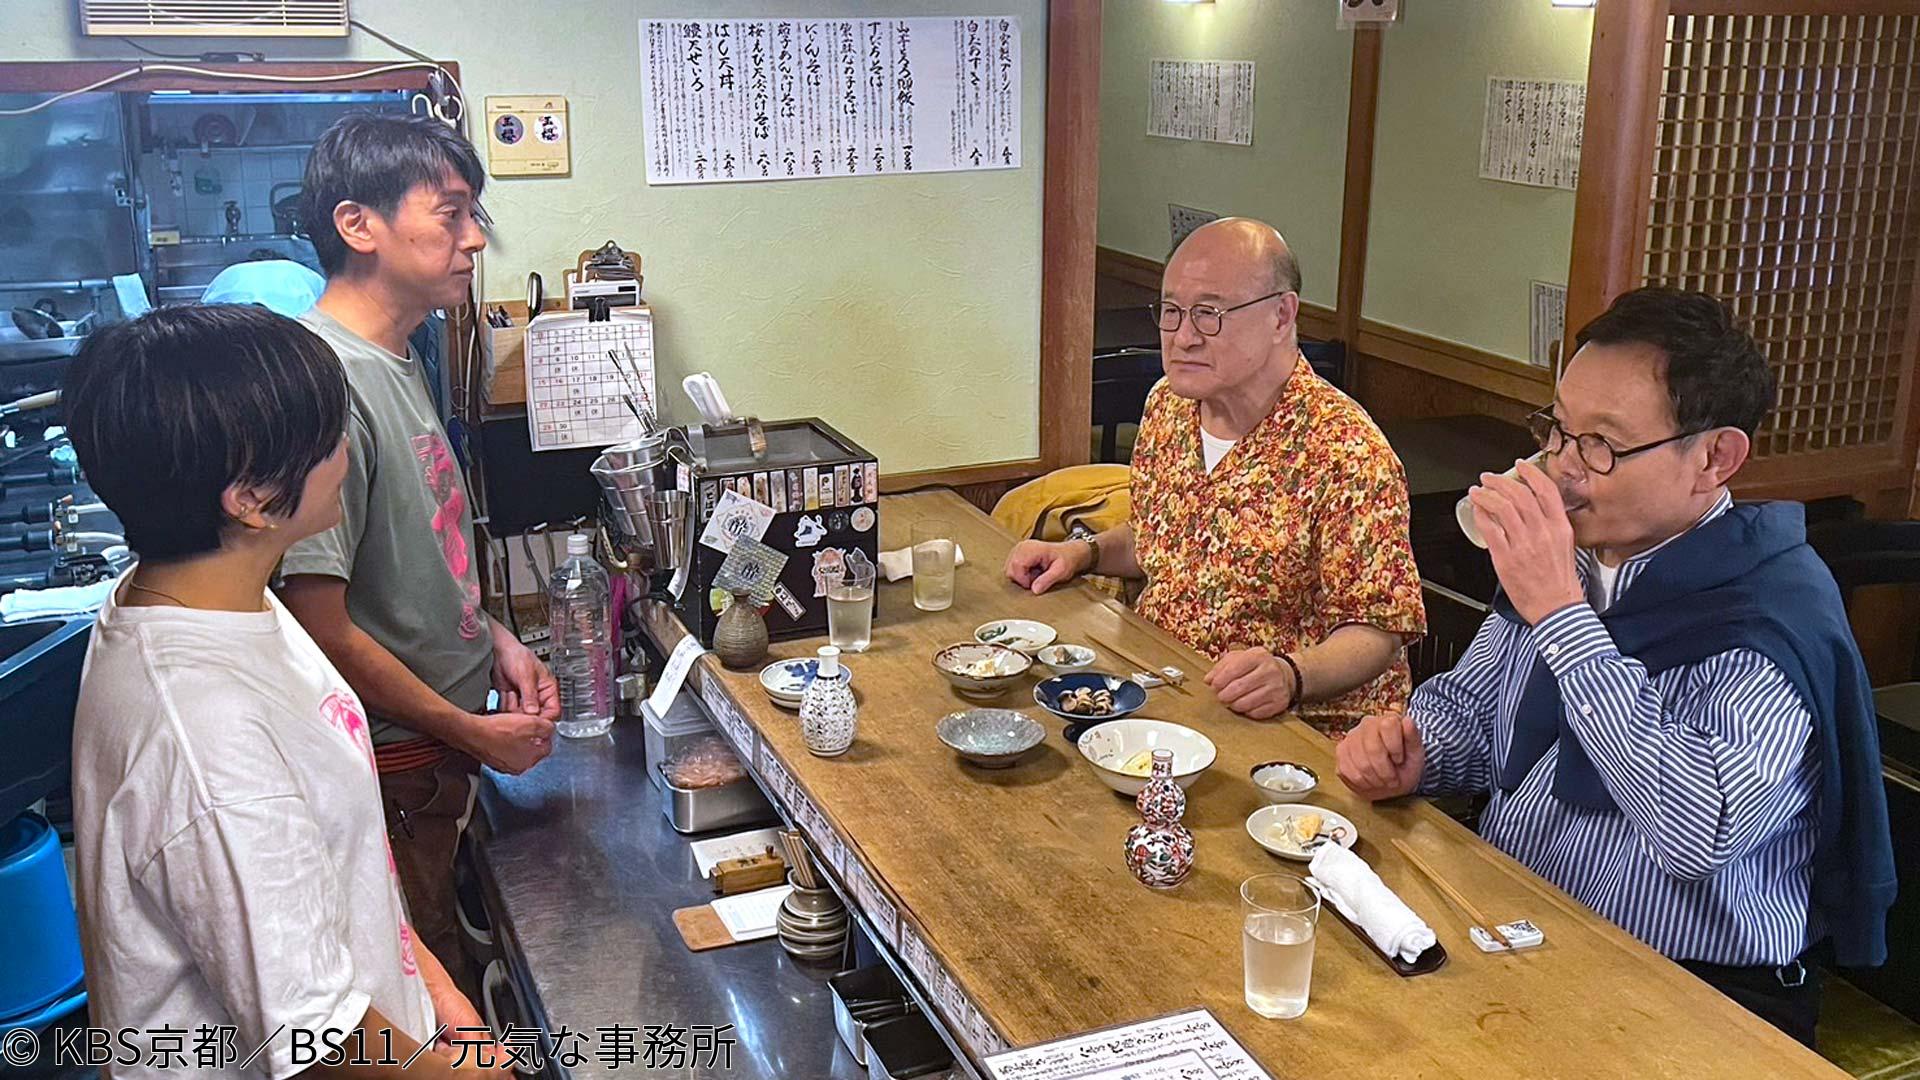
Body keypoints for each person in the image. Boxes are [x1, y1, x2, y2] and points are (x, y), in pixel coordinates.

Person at [1335, 287, 1896, 1047]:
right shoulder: (1578, 553)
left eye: (1601, 444)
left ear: (1714, 457)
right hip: (1515, 927)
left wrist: (1564, 617)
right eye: (1559, 430)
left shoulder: (1772, 613)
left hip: (1693, 996)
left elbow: (1696, 831)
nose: (1563, 468)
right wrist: (1414, 750)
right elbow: (1474, 709)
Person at [66, 305, 500, 1078]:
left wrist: (434, 991)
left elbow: (335, 871)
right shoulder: (206, 735)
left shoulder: (213, 594)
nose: (345, 453)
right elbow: (313, 1035)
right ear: (252, 499)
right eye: (329, 438)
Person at [276, 114, 558, 997]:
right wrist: (466, 728)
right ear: (358, 225)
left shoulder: (397, 357)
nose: (476, 238)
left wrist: (497, 645)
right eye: (451, 213)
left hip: (437, 746)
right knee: (423, 988)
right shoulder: (324, 381)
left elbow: (418, 555)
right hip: (396, 763)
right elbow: (318, 626)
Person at [1004, 218, 1425, 735]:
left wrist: (1292, 675)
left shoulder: (1346, 451)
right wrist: (1081, 553)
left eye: (1208, 314)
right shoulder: (1167, 405)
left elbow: (1378, 630)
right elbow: (1164, 537)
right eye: (1173, 312)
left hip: (1287, 732)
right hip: (1159, 685)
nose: (1184, 337)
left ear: (1281, 315)